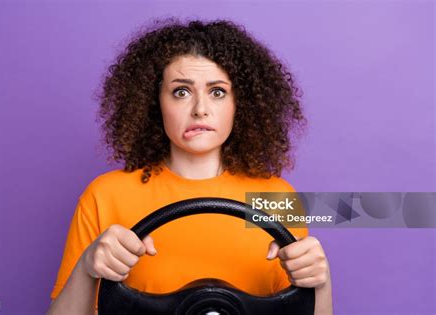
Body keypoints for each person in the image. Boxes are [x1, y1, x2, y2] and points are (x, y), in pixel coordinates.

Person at [47, 18, 333, 314]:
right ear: (154, 102)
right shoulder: (104, 196)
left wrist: (320, 283)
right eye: (181, 92)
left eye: (218, 92)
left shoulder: (277, 197)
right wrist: (86, 267)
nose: (200, 109)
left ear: (240, 104)